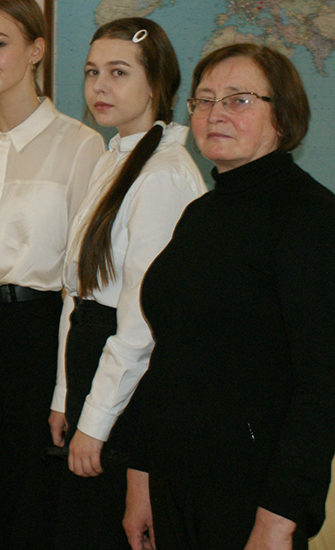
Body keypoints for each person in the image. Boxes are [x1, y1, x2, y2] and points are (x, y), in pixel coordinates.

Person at [123, 43, 335, 550]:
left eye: (239, 99)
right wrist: (140, 476)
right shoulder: (200, 213)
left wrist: (281, 517)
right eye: (204, 100)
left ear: (282, 116)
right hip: (173, 483)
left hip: (251, 494)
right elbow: (169, 357)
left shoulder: (311, 216)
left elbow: (323, 383)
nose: (215, 114)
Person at [0, 0, 104, 548]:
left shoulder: (81, 146)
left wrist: (64, 386)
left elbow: (81, 281)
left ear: (36, 50)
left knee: (30, 499)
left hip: (35, 332)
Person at [47, 18, 205, 549]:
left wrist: (94, 422)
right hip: (93, 366)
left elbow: (141, 324)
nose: (99, 86)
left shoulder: (162, 175)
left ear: (156, 83)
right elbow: (79, 294)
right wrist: (65, 395)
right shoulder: (114, 157)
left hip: (128, 387)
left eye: (118, 72)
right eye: (92, 72)